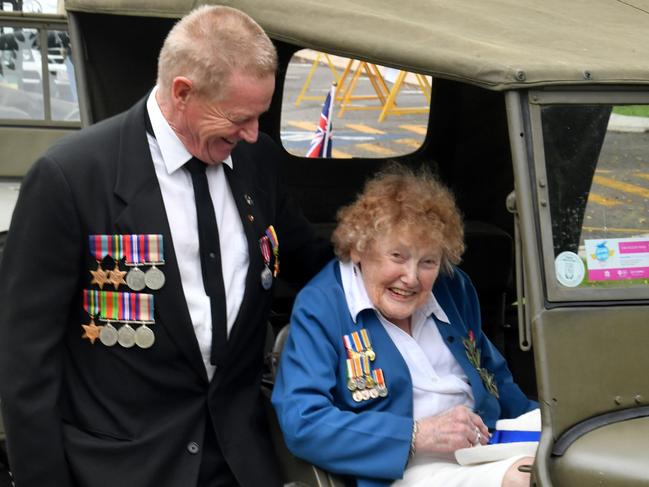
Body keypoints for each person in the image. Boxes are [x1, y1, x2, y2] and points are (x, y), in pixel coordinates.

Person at [0, 6, 330, 487]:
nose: (254, 134)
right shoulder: (72, 178)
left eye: (260, 116)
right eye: (239, 118)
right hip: (121, 467)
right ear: (182, 93)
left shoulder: (258, 160)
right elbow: (26, 364)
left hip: (238, 462)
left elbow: (307, 260)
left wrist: (399, 272)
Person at [272, 164, 538, 487]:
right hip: (401, 469)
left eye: (428, 262)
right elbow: (304, 423)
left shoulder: (453, 288)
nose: (411, 278)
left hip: (483, 449)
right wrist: (416, 435)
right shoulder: (323, 305)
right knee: (527, 478)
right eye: (397, 256)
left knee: (574, 456)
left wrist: (549, 425)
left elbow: (495, 378)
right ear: (359, 248)